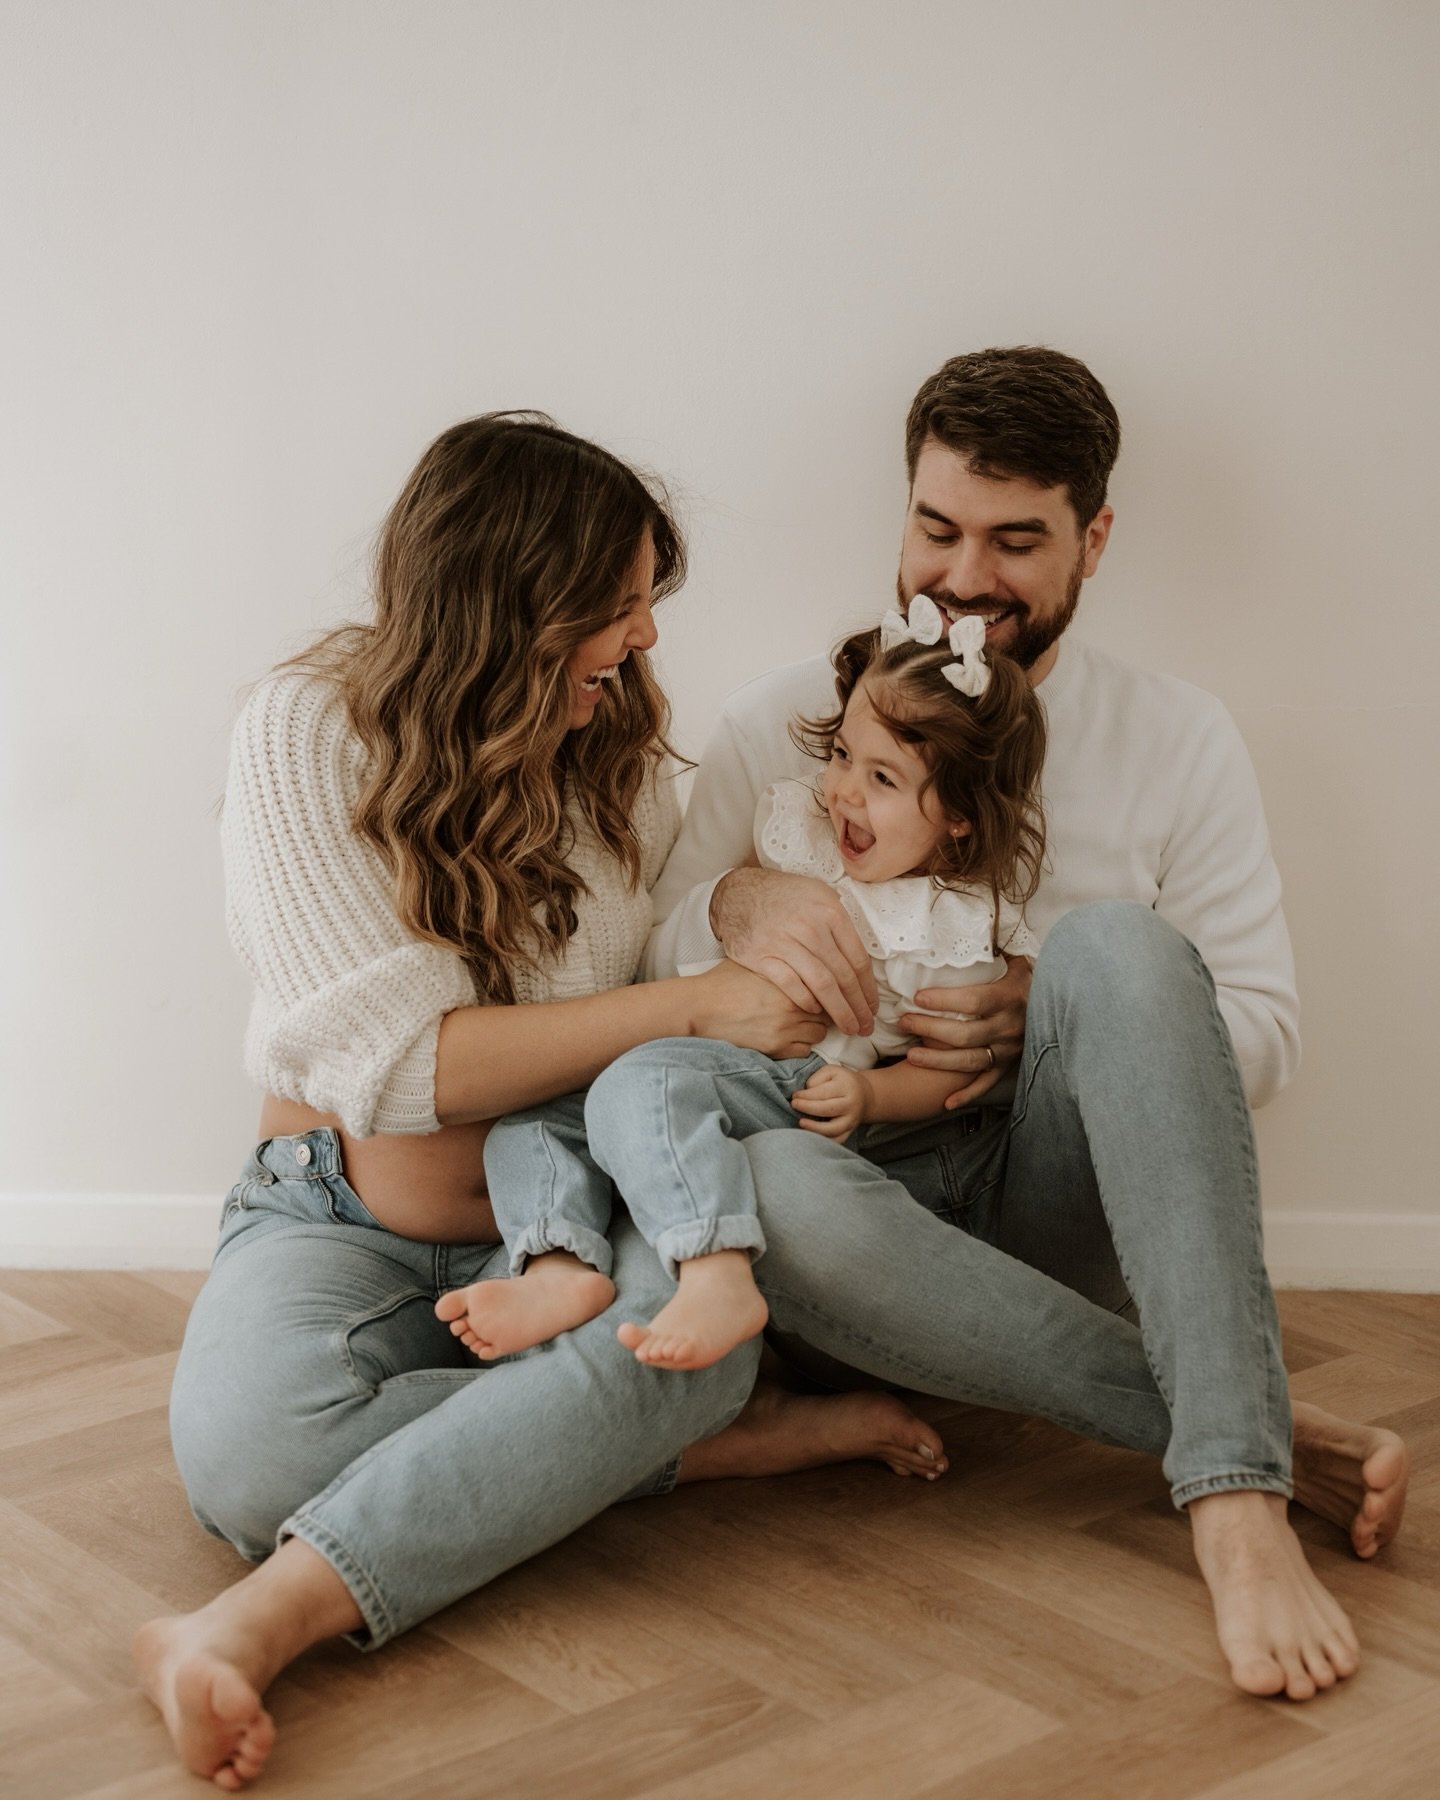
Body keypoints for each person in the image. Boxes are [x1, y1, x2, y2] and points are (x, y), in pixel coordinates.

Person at [134, 413, 950, 1790]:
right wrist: (690, 1004)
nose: (640, 643)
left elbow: (668, 945)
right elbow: (396, 1070)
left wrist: (741, 909)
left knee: (698, 1328)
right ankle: (672, 1447)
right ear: (506, 603)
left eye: (646, 608)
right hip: (339, 1212)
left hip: (568, 1224)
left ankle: (267, 1617)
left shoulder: (613, 751)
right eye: (617, 608)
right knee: (253, 1462)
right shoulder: (305, 732)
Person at [643, 346, 1409, 1703]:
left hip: (1056, 1213)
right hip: (842, 1225)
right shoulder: (785, 722)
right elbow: (652, 981)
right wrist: (742, 898)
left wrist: (1045, 1013)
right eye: (937, 530)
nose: (965, 578)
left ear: (1093, 540)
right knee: (752, 1177)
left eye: (1016, 541)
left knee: (1114, 945)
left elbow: (1268, 1035)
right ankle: (1251, 1428)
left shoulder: (1179, 736)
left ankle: (1231, 1503)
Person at [437, 600, 1044, 1371]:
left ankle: (714, 1266)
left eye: (883, 777)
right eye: (844, 756)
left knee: (641, 1086)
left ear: (959, 815)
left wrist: (872, 1099)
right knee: (528, 1122)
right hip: (719, 1056)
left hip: (800, 1086)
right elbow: (691, 928)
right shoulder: (805, 837)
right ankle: (558, 1266)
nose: (845, 791)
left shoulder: (946, 929)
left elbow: (949, 1065)